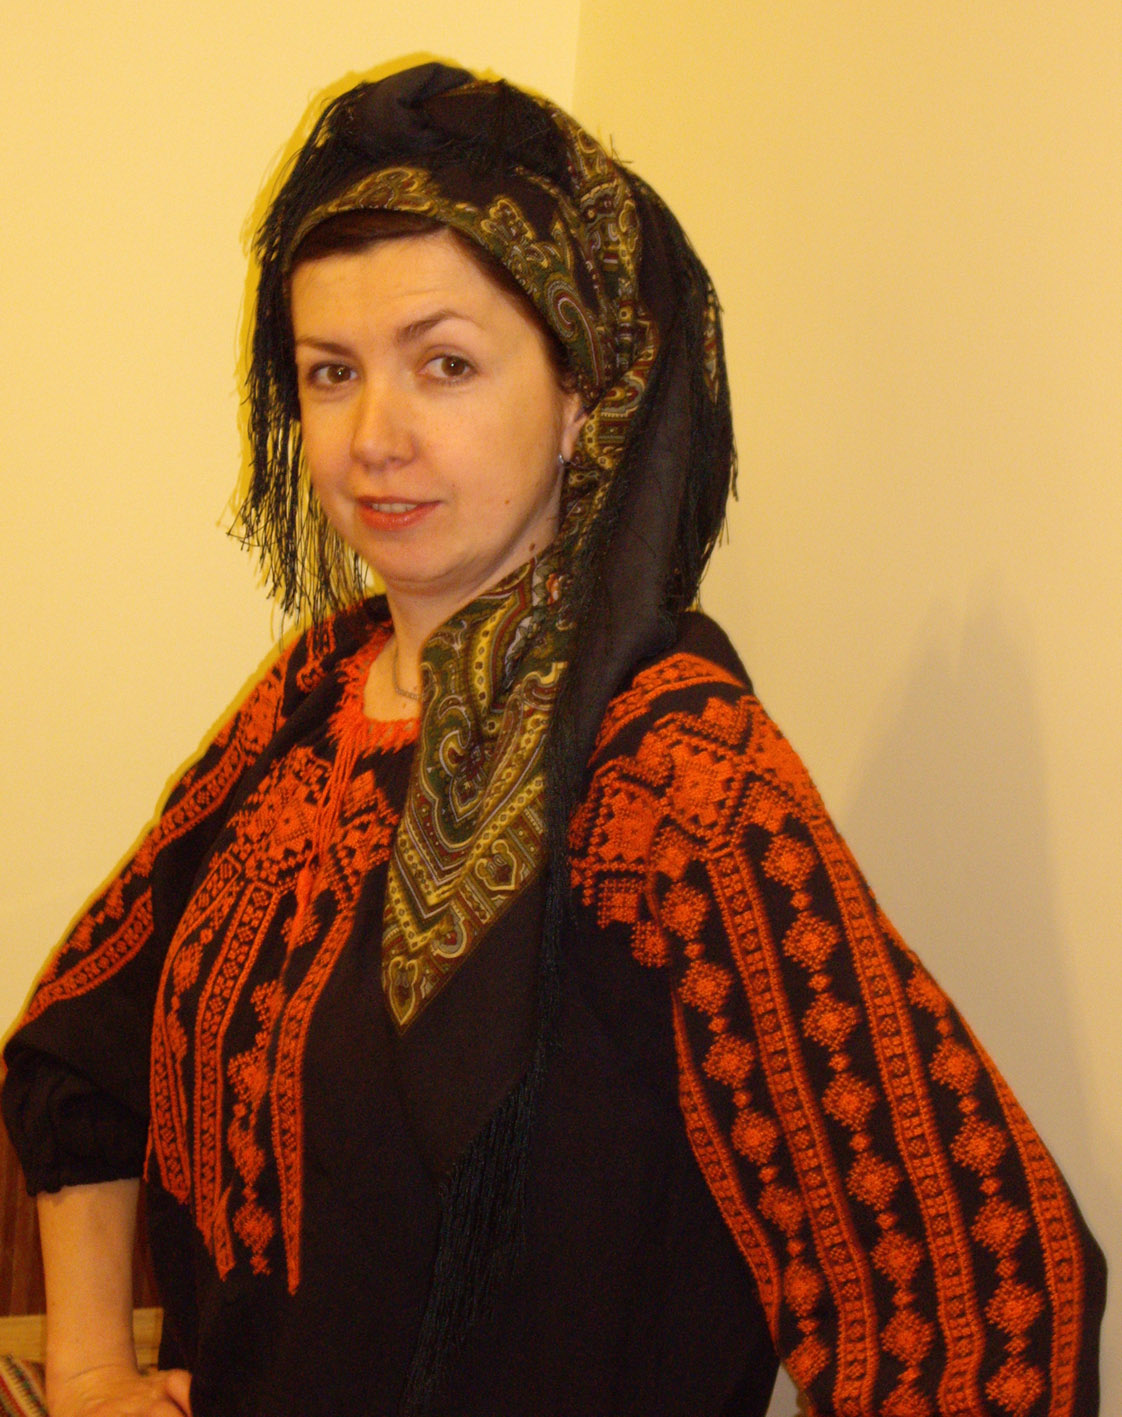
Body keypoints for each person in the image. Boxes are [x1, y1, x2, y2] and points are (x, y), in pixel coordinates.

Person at [1, 63, 1105, 1417]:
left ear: (585, 393)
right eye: (332, 373)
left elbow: (977, 1277)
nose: (373, 438)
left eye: (446, 365)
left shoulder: (671, 780)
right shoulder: (313, 697)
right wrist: (90, 1370)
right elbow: (81, 1035)